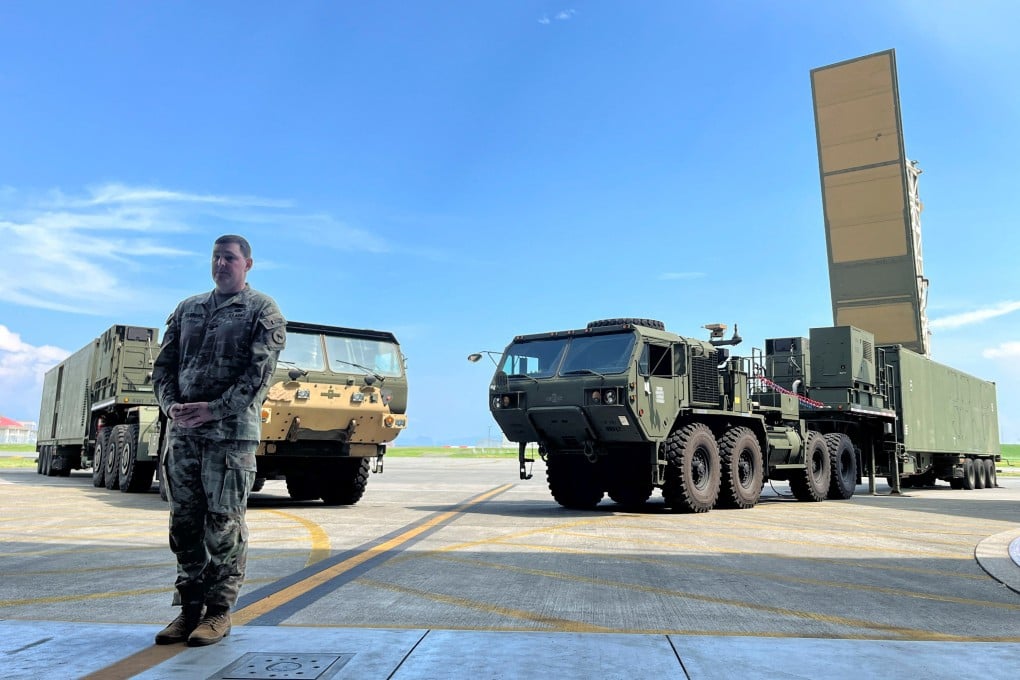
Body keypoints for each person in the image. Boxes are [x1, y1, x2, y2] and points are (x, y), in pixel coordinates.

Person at [151, 234, 286, 647]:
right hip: (185, 434)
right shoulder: (187, 308)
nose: (221, 264)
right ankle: (188, 611)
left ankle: (218, 612)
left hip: (229, 437)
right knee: (184, 523)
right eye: (216, 257)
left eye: (229, 258)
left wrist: (213, 409)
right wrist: (171, 406)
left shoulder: (263, 310)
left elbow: (257, 376)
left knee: (223, 525)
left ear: (247, 264)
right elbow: (164, 367)